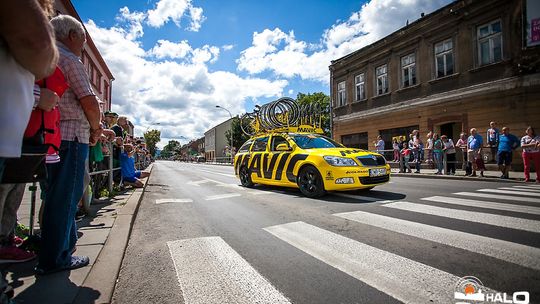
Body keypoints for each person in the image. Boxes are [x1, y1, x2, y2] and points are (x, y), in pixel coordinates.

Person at [36, 15, 103, 275]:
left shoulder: (47, 58)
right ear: (72, 36)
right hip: (71, 136)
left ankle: (65, 246)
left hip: (50, 136)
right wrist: (96, 129)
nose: (83, 46)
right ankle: (55, 259)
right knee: (65, 199)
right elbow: (88, 101)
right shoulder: (70, 60)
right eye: (83, 39)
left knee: (56, 195)